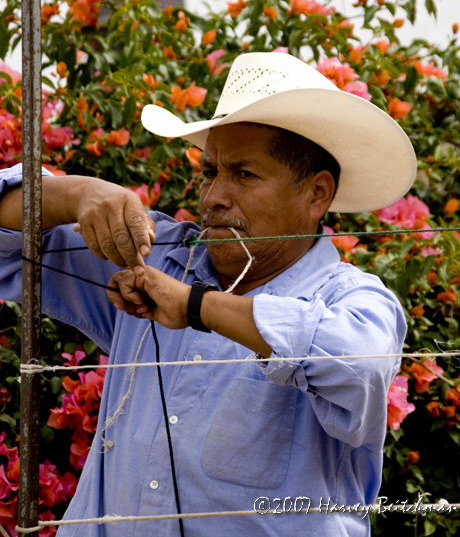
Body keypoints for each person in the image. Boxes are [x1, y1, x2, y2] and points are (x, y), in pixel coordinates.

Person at [0, 51, 417, 536]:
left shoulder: (355, 300)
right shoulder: (152, 255)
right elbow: (9, 246)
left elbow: (359, 365)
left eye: (244, 174)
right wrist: (77, 194)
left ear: (317, 194)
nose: (213, 195)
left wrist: (195, 306)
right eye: (208, 171)